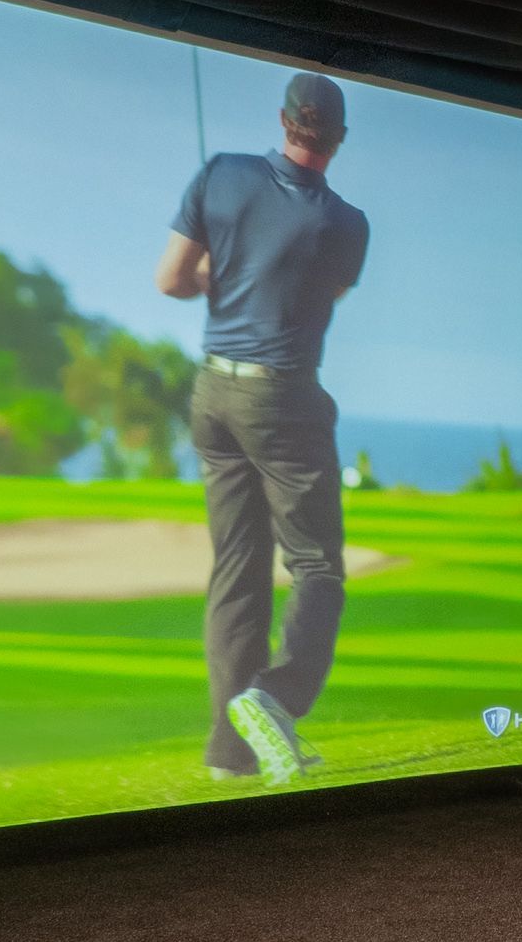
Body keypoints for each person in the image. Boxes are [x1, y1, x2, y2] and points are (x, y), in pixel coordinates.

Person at [157, 72, 371, 782]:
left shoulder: (220, 173)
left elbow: (171, 280)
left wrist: (218, 274)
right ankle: (274, 699)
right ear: (339, 138)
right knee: (317, 567)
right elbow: (318, 296)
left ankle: (231, 755)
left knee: (237, 571)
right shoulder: (346, 223)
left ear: (283, 122)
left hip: (213, 393)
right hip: (283, 400)